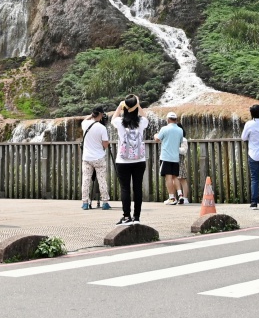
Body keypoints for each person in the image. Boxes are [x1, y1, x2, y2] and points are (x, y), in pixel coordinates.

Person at [112, 95, 149, 225]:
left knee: (125, 189)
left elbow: (113, 118)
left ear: (125, 108)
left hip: (123, 161)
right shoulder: (141, 122)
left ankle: (126, 217)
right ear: (136, 108)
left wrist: (120, 105)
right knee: (137, 188)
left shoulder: (119, 122)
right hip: (139, 160)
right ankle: (137, 217)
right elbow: (145, 117)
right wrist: (138, 104)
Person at [79, 107, 112, 211]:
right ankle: (105, 202)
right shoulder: (102, 128)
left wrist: (92, 115)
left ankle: (85, 202)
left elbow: (85, 119)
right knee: (102, 179)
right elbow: (105, 144)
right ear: (101, 115)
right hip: (99, 157)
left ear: (92, 114)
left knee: (86, 180)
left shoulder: (85, 124)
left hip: (87, 158)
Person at [158, 111, 187, 205]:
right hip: (175, 158)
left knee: (168, 177)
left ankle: (172, 198)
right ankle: (180, 195)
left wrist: (155, 135)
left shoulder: (164, 128)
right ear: (176, 120)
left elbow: (158, 139)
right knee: (175, 177)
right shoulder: (180, 130)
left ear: (168, 119)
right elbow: (180, 140)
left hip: (166, 157)